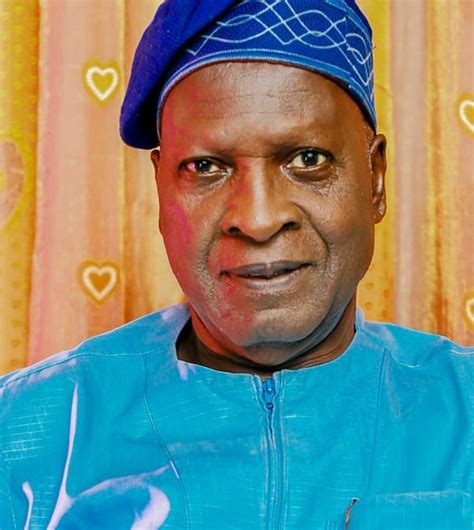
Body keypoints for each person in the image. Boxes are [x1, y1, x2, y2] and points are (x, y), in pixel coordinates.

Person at [1, 0, 473, 528]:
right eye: (206, 167)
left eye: (308, 160)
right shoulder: (24, 437)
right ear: (161, 190)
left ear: (375, 179)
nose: (258, 219)